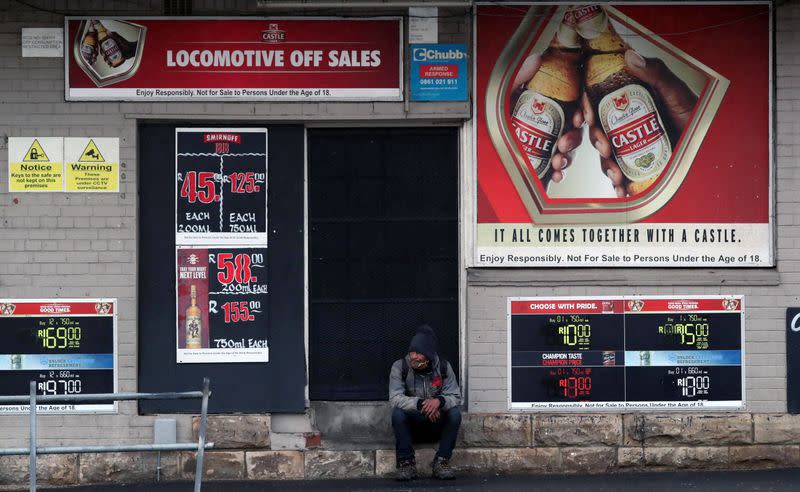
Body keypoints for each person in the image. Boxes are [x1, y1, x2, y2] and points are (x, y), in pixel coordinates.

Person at [389, 324, 461, 481]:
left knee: (455, 413)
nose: (413, 356)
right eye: (412, 352)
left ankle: (441, 462)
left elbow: (455, 396)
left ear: (428, 354)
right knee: (397, 414)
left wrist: (439, 402)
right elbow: (395, 398)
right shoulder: (399, 367)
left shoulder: (443, 367)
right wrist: (422, 404)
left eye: (418, 353)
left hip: (436, 422)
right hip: (413, 423)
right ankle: (406, 463)